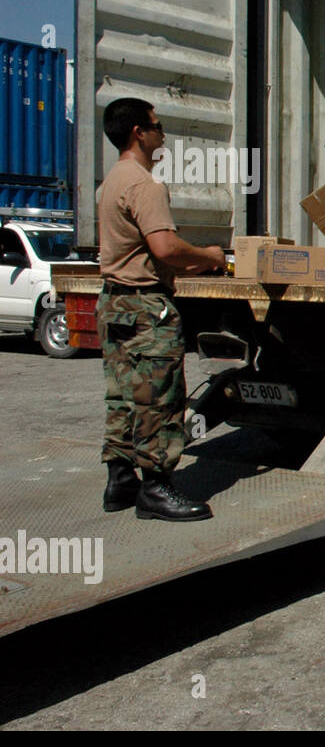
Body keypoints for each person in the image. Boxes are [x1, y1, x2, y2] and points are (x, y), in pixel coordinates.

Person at [97, 98, 225, 520]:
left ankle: (120, 480)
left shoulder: (112, 180)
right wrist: (209, 256)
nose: (162, 134)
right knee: (159, 398)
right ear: (139, 132)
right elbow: (165, 248)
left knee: (123, 394)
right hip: (147, 306)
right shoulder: (144, 184)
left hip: (114, 302)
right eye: (157, 126)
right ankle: (156, 488)